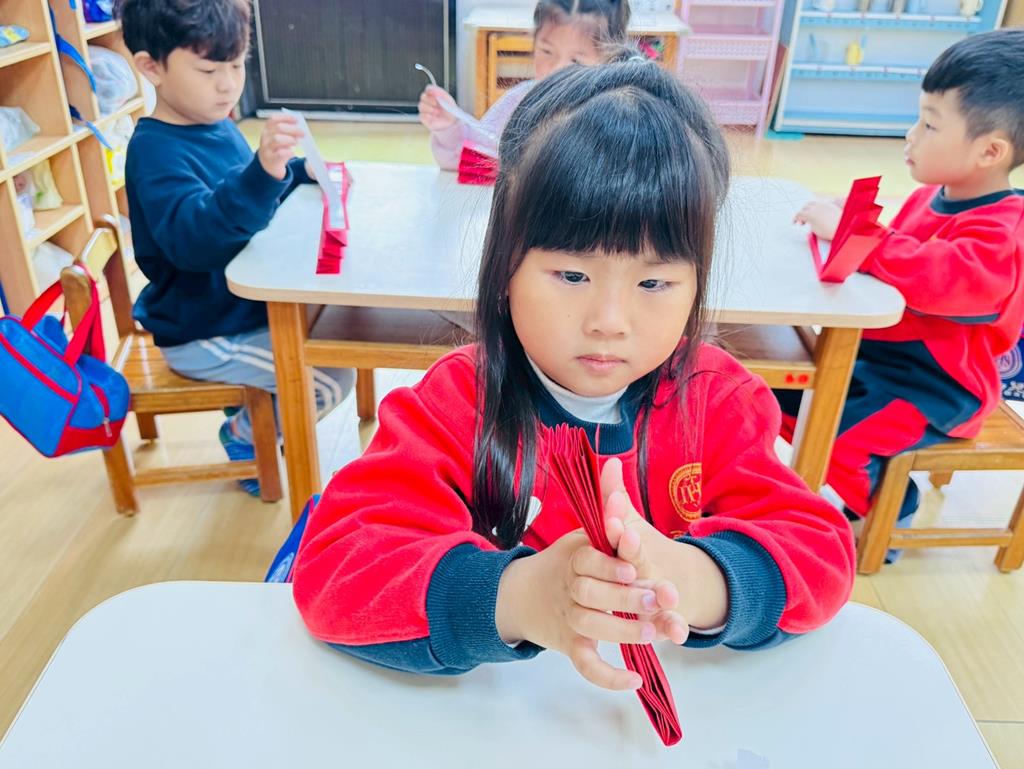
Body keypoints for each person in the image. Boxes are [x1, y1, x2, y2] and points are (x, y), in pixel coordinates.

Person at [291, 59, 855, 689]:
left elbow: (822, 551)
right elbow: (335, 569)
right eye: (572, 275)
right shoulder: (456, 403)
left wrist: (699, 580)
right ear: (504, 268)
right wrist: (517, 596)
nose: (609, 321)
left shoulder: (716, 400)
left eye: (653, 283)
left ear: (697, 284)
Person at [792, 29, 1024, 539]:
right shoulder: (931, 196)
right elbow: (898, 256)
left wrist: (861, 238)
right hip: (881, 361)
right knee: (789, 399)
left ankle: (887, 511)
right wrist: (852, 220)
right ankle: (859, 487)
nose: (911, 135)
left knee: (840, 438)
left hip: (938, 388)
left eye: (930, 124)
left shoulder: (1002, 230)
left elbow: (938, 276)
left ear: (990, 151)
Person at [117, 0, 354, 496]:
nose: (228, 85)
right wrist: (262, 174)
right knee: (329, 379)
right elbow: (196, 239)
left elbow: (238, 189)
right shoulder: (153, 152)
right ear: (150, 68)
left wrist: (293, 171)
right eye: (208, 71)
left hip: (241, 307)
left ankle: (255, 409)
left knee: (341, 327)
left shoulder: (215, 122)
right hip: (203, 329)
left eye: (236, 65)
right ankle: (246, 434)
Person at [419, 0, 631, 170]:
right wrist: (448, 127)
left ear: (610, 59)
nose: (556, 69)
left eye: (576, 61)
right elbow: (470, 160)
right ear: (533, 41)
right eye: (546, 51)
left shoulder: (620, 115)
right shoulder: (518, 103)